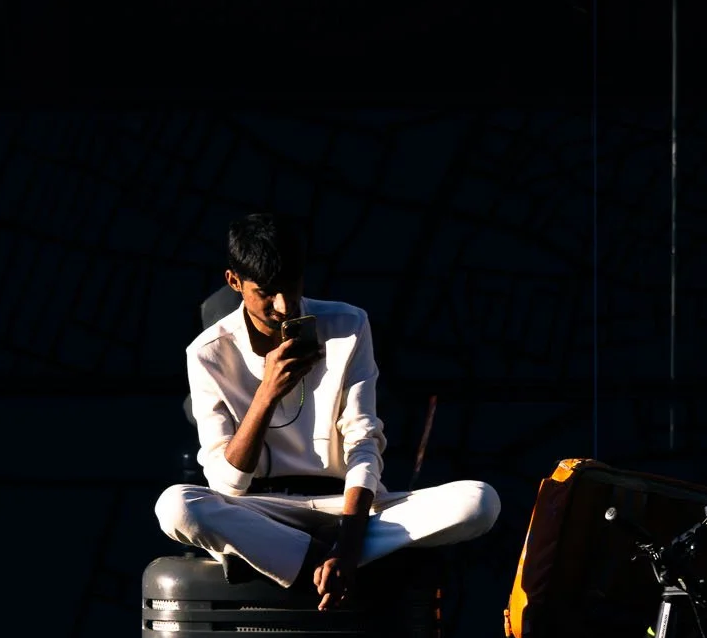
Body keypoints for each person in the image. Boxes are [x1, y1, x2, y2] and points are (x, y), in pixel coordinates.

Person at [156, 213, 500, 608]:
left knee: (480, 502)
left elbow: (363, 443)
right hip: (261, 511)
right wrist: (267, 394)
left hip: (352, 510)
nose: (284, 305)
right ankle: (318, 560)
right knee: (176, 507)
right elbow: (227, 484)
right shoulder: (208, 353)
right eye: (267, 291)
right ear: (234, 282)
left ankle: (293, 561)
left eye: (292, 286)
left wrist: (348, 546)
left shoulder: (348, 325)